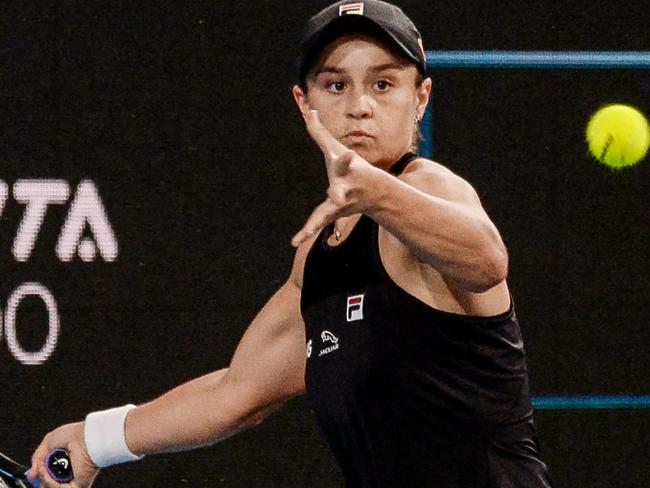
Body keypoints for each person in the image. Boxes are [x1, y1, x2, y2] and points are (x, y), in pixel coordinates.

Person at [29, 1, 552, 487]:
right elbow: (234, 395)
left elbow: (486, 260)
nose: (360, 107)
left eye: (384, 84)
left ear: (421, 98)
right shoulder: (318, 259)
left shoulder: (431, 189)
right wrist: (94, 439)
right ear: (305, 104)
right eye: (335, 86)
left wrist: (377, 191)